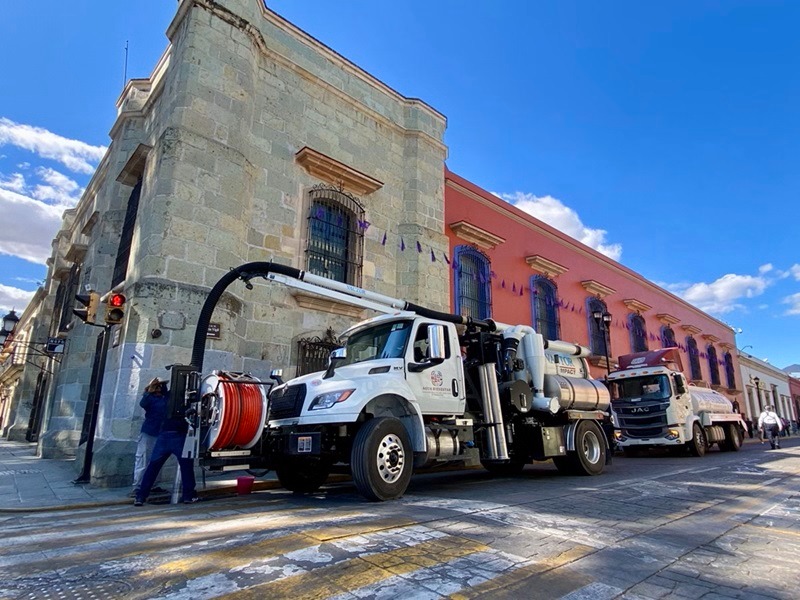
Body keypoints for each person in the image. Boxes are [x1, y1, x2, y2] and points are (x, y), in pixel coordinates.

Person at [134, 392, 198, 506]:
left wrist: (149, 392)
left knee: (152, 467)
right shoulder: (183, 401)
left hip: (164, 436)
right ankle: (188, 495)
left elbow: (145, 403)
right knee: (186, 467)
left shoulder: (161, 400)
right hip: (179, 436)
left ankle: (140, 496)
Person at [131, 377, 169, 497]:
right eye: (157, 386)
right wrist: (149, 391)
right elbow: (143, 404)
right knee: (143, 459)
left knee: (157, 460)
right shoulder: (149, 398)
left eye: (160, 386)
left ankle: (153, 484)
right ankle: (137, 486)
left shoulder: (165, 398)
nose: (159, 388)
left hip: (161, 433)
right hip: (149, 432)